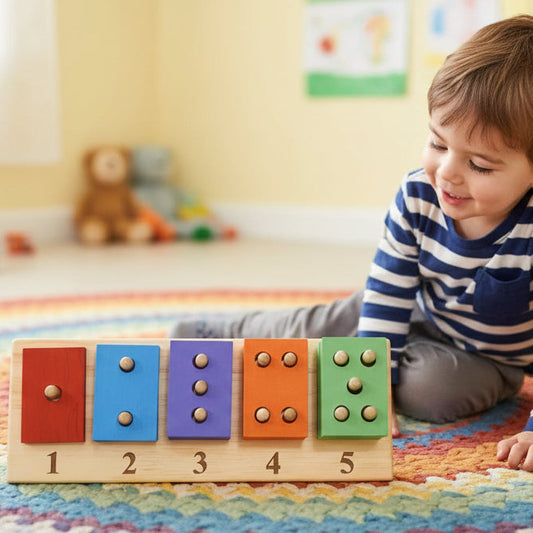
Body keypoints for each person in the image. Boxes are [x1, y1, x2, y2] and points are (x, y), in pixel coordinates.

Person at [170, 15, 533, 471]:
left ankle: (367, 357)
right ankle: (220, 334)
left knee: (430, 393)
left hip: (490, 360)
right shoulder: (419, 195)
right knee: (334, 318)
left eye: (479, 164)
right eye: (438, 144)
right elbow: (391, 288)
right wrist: (369, 380)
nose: (447, 173)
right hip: (420, 306)